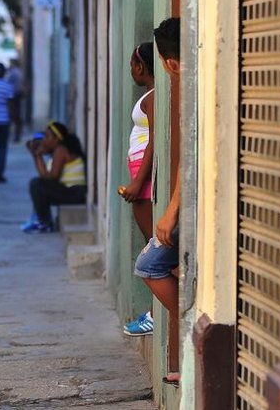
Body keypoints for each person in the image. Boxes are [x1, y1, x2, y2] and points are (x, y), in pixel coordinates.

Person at [124, 18, 182, 387]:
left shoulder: (168, 92)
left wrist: (168, 207)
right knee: (155, 257)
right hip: (156, 191)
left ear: (165, 62)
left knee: (152, 259)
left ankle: (181, 319)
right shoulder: (177, 87)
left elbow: (184, 154)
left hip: (153, 191)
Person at [119, 42, 157, 338]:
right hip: (140, 180)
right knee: (151, 246)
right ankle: (155, 312)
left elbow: (153, 141)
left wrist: (137, 182)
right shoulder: (151, 96)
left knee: (152, 247)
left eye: (132, 64)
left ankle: (156, 314)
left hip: (143, 184)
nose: (131, 69)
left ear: (140, 66)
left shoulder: (153, 98)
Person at [21, 121, 87, 233]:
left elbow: (51, 178)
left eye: (47, 136)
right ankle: (43, 221)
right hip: (74, 192)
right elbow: (44, 176)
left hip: (75, 193)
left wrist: (38, 155)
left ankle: (44, 222)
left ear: (56, 139)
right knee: (37, 184)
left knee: (36, 185)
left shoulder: (61, 150)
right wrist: (37, 155)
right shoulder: (61, 149)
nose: (44, 140)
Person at [6, 58, 25, 142]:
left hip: (14, 95)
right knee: (17, 116)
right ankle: (17, 134)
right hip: (17, 95)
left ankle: (16, 135)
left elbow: (8, 84)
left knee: (13, 115)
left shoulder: (14, 73)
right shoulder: (20, 72)